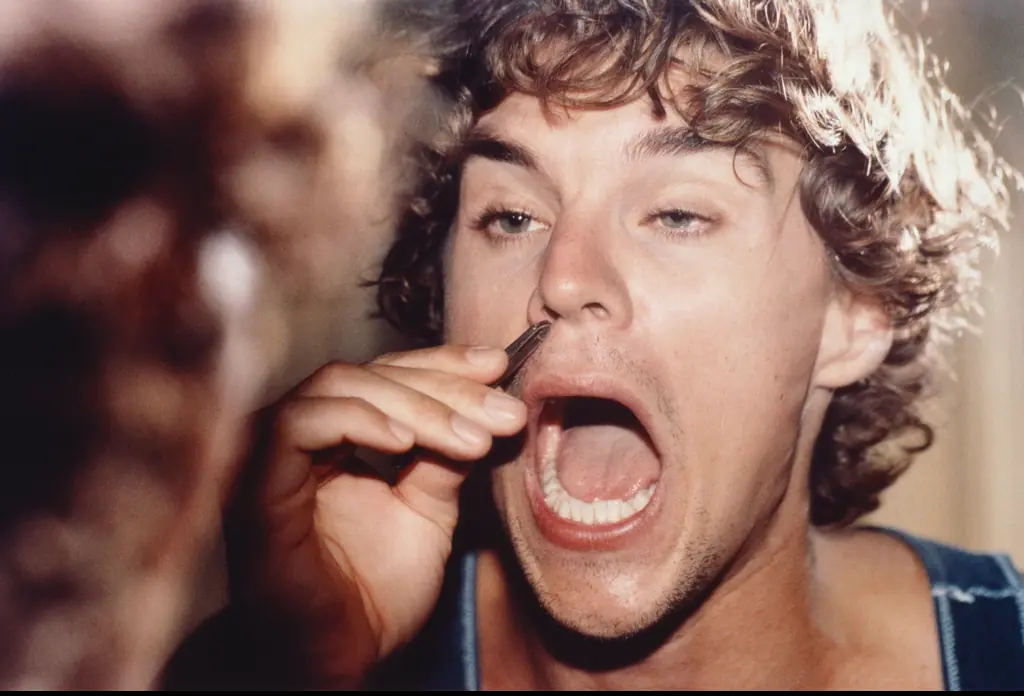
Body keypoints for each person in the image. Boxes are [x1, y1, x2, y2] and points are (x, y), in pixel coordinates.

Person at [166, 0, 1024, 690]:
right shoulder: (296, 653)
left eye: (678, 214)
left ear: (857, 313)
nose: (564, 276)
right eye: (510, 216)